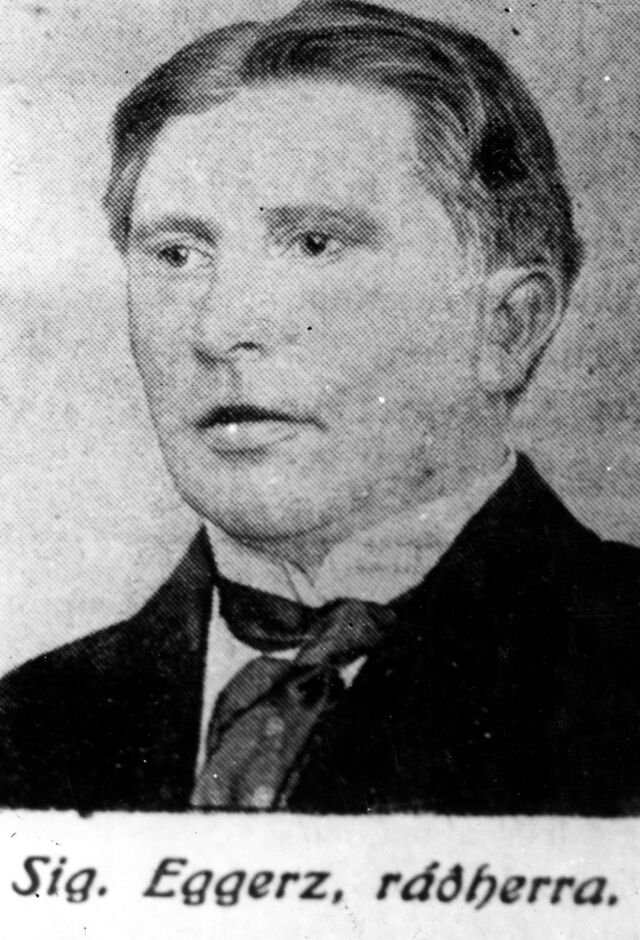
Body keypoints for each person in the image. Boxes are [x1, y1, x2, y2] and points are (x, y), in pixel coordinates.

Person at [1, 0, 639, 814]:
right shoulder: (28, 723)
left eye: (314, 244)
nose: (218, 330)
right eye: (177, 254)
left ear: (508, 326)